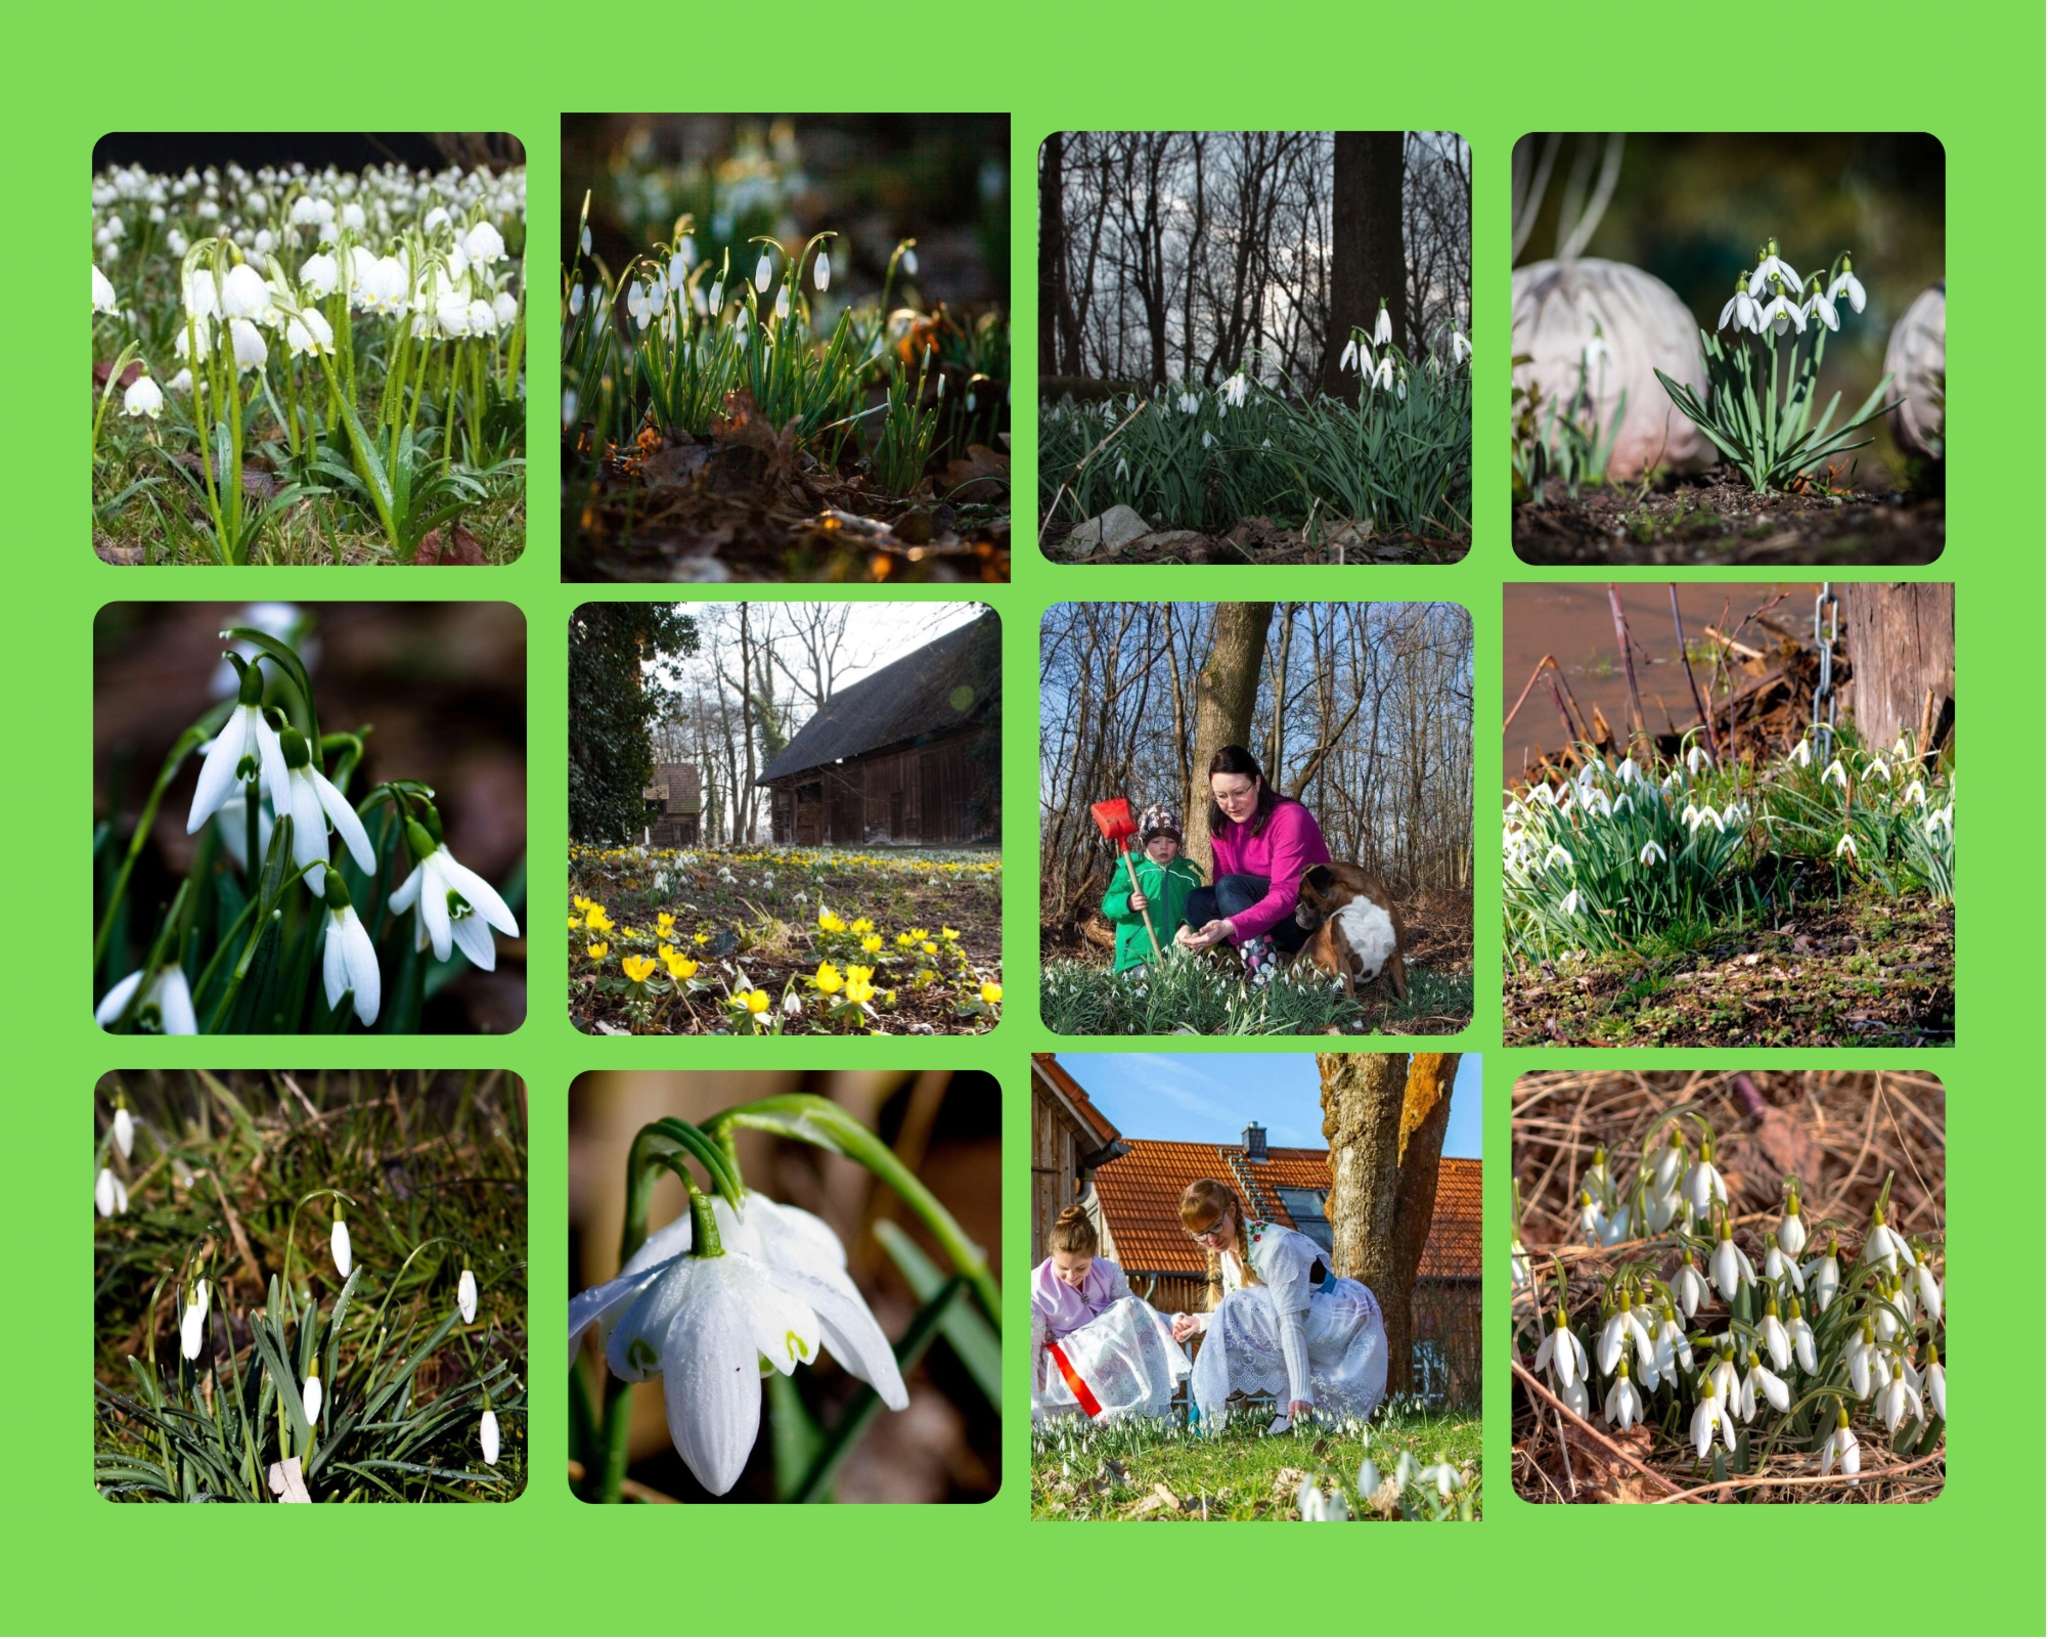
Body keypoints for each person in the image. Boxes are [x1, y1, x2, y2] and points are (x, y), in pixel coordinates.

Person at [1167, 1178, 1387, 1430]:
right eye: (1201, 1235)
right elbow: (1250, 1311)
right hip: (1305, 1317)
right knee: (1236, 1309)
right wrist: (1200, 1321)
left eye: (1216, 1227)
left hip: (1342, 1319)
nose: (1211, 1240)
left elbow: (1289, 1322)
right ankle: (1267, 1413)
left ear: (1232, 1210)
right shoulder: (1229, 1253)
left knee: (1239, 1308)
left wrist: (1302, 1394)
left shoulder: (1274, 1247)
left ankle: (1284, 1409)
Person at [1176, 745, 1334, 985]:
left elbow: (1285, 895)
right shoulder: (1221, 828)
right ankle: (1266, 951)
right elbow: (1223, 892)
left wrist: (1231, 925)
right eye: (1221, 796)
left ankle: (1265, 976)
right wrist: (1191, 927)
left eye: (1239, 792)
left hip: (1305, 917)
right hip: (1260, 918)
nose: (1231, 804)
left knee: (1230, 887)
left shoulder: (1290, 818)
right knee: (1195, 902)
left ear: (1258, 782)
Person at [1030, 1204, 1189, 1422]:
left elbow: (1138, 1312)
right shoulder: (1035, 1287)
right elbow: (1028, 1349)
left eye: (1080, 1269)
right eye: (1062, 1268)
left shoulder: (1108, 1272)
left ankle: (1140, 1414)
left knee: (1129, 1306)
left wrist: (1170, 1321)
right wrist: (1031, 1404)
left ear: (1092, 1258)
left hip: (1104, 1356)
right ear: (1052, 1257)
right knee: (1127, 1308)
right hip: (1062, 1365)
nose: (1070, 1276)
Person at [1100, 804, 1204, 975]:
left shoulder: (1188, 877)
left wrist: (1187, 925)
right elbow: (1109, 905)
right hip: (1135, 955)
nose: (1164, 847)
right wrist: (1128, 903)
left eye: (1171, 841)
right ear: (1144, 842)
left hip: (1174, 955)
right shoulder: (1132, 870)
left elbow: (1194, 911)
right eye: (1156, 842)